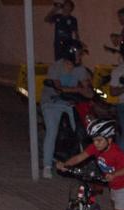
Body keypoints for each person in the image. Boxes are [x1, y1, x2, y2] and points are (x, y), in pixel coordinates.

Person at [40, 41, 92, 178]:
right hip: (52, 102)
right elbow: (58, 89)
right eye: (78, 54)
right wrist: (79, 90)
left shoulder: (81, 70)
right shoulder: (56, 67)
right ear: (71, 53)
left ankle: (81, 162)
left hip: (70, 102)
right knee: (52, 130)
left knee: (81, 128)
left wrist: (89, 90)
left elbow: (87, 89)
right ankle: (47, 165)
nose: (80, 56)